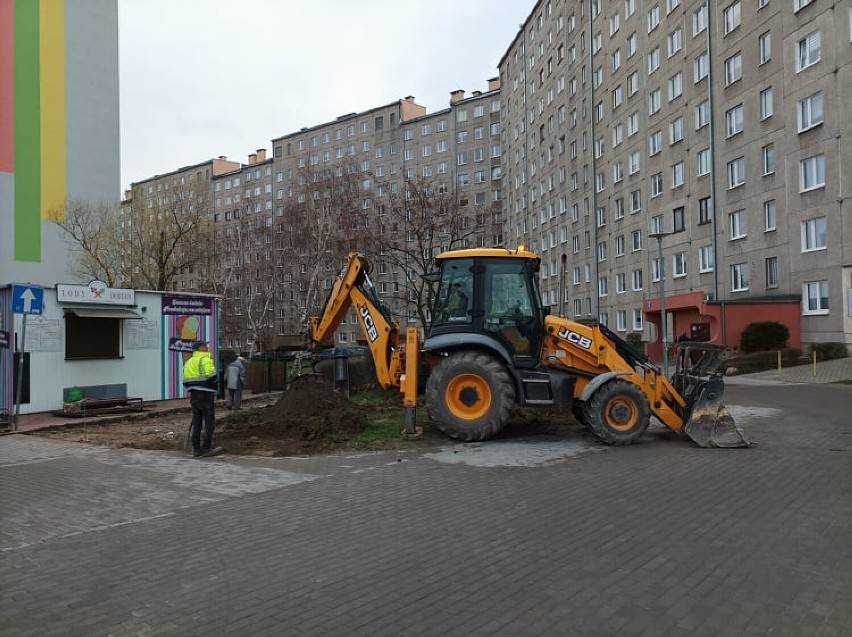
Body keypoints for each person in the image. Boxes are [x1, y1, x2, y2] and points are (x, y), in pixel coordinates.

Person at [182, 340, 221, 458]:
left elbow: (185, 381)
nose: (207, 348)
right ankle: (206, 448)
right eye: (205, 346)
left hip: (194, 395)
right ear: (201, 348)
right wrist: (215, 382)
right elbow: (212, 377)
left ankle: (196, 449)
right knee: (209, 421)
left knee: (197, 421)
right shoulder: (205, 360)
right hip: (206, 394)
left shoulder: (188, 363)